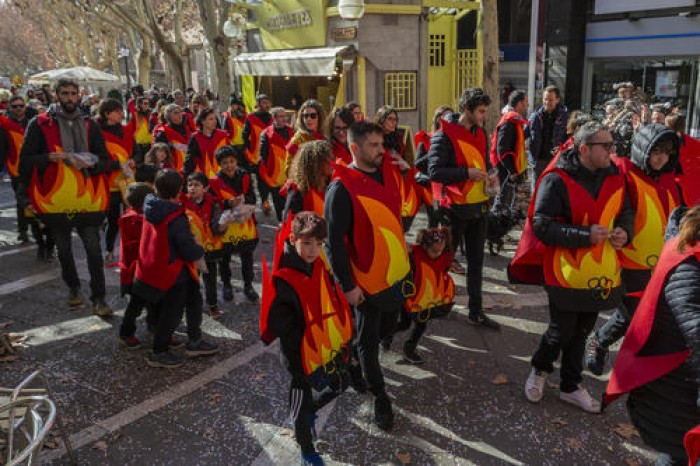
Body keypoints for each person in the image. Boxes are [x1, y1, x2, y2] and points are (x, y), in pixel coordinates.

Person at [521, 121, 634, 413]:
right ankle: (540, 369)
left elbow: (625, 212)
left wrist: (624, 231)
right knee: (561, 329)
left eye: (612, 145)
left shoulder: (616, 176)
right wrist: (583, 235)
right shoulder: (556, 179)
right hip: (564, 271)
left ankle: (571, 386)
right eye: (606, 146)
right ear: (584, 149)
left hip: (599, 272)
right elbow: (542, 226)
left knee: (583, 330)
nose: (613, 150)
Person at [325, 121, 412, 431]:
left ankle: (354, 365)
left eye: (381, 144)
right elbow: (333, 243)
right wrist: (348, 286)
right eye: (373, 146)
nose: (381, 150)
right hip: (365, 283)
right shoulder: (341, 187)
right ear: (354, 148)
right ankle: (380, 395)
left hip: (395, 276)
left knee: (394, 325)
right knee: (368, 341)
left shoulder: (387, 169)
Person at [604, 205, 700, 466]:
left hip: (678, 391)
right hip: (675, 391)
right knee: (679, 455)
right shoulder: (689, 265)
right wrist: (602, 340)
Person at [585, 123, 680, 375]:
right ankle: (600, 341)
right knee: (632, 313)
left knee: (648, 315)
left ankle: (626, 352)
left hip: (661, 263)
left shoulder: (671, 182)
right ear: (644, 149)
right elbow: (616, 207)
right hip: (630, 260)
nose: (661, 158)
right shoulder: (625, 174)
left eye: (667, 152)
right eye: (656, 151)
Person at [261, 211, 355, 466]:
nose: (313, 250)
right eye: (307, 243)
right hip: (299, 353)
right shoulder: (284, 278)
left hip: (325, 344)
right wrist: (307, 325)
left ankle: (310, 412)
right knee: (300, 404)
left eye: (319, 243)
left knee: (341, 380)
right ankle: (306, 449)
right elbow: (279, 323)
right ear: (293, 240)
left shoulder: (319, 266)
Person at [19, 79, 112, 315]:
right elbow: (25, 162)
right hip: (55, 199)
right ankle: (73, 288)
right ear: (56, 95)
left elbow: (105, 161)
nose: (70, 98)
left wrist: (90, 163)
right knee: (63, 249)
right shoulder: (39, 124)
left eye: (73, 94)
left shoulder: (91, 125)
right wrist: (49, 158)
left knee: (93, 248)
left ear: (78, 96)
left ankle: (99, 298)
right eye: (65, 93)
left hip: (87, 198)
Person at [427, 87, 501, 329]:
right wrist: (466, 174)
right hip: (454, 210)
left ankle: (476, 311)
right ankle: (433, 301)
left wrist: (491, 176)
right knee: (445, 259)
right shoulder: (443, 135)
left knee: (477, 262)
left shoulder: (481, 132)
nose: (484, 116)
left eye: (485, 112)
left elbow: (486, 162)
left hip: (479, 208)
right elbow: (434, 172)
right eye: (480, 111)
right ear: (467, 110)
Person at [133, 169, 219, 368]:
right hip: (173, 270)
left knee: (192, 300)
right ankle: (159, 351)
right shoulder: (175, 216)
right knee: (173, 312)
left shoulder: (150, 205)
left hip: (156, 266)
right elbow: (187, 247)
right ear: (179, 190)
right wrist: (199, 254)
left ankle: (194, 340)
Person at [208, 146, 260, 303]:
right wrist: (227, 203)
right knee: (224, 258)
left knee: (247, 257)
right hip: (226, 226)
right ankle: (227, 285)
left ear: (236, 161)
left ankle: (248, 285)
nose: (229, 166)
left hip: (245, 223)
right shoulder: (214, 182)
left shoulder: (245, 176)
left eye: (232, 161)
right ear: (219, 164)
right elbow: (213, 204)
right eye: (225, 163)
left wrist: (245, 201)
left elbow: (252, 196)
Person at [397, 227, 455, 364]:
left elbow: (442, 272)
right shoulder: (414, 254)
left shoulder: (445, 255)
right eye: (434, 251)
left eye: (441, 250)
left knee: (421, 325)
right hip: (409, 298)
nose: (438, 253)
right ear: (425, 246)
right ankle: (383, 337)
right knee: (403, 324)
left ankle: (409, 349)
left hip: (427, 299)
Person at [182, 172, 227, 319]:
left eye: (196, 185)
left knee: (210, 278)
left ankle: (212, 306)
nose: (192, 188)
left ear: (206, 188)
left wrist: (222, 226)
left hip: (209, 248)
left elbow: (216, 226)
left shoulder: (213, 203)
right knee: (192, 279)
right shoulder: (182, 203)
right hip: (190, 248)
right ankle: (191, 304)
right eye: (190, 185)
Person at [96, 98, 135, 265]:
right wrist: (116, 164)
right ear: (107, 114)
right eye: (117, 111)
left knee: (130, 219)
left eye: (121, 111)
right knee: (112, 220)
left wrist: (134, 160)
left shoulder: (126, 131)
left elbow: (138, 152)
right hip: (108, 185)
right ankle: (109, 250)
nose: (121, 114)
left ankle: (130, 251)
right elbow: (96, 161)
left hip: (128, 183)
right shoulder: (96, 133)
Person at [118, 182, 155, 348]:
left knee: (154, 301)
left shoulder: (135, 214)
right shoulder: (134, 219)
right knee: (136, 304)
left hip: (144, 269)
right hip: (137, 270)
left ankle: (155, 327)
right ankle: (126, 332)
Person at [375, 105, 419, 231]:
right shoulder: (374, 137)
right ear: (381, 120)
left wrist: (404, 165)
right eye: (390, 119)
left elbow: (407, 159)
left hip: (397, 180)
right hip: (381, 180)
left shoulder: (398, 138)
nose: (394, 122)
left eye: (396, 119)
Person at [489, 90, 529, 213]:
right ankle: (494, 230)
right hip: (505, 170)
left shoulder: (513, 120)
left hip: (508, 170)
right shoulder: (509, 121)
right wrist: (512, 171)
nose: (528, 105)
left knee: (505, 202)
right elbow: (502, 149)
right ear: (519, 104)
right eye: (526, 102)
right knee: (502, 202)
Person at [0, 95, 33, 243]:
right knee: (21, 201)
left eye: (21, 105)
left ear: (25, 107)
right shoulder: (4, 126)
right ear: (10, 108)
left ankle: (38, 228)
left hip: (34, 167)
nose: (18, 108)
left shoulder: (33, 124)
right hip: (15, 169)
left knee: (35, 198)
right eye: (15, 106)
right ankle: (23, 230)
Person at [414, 105, 453, 229]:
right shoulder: (426, 139)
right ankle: (430, 248)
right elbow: (418, 163)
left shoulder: (455, 140)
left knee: (450, 226)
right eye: (445, 116)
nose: (448, 119)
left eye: (450, 116)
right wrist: (434, 154)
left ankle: (449, 248)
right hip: (432, 190)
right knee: (433, 224)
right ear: (438, 119)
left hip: (451, 189)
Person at [528, 85, 569, 188]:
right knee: (537, 189)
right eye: (545, 99)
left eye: (550, 99)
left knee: (554, 188)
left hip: (556, 160)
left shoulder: (565, 117)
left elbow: (569, 137)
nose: (547, 102)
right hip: (539, 159)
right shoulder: (535, 116)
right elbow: (523, 133)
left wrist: (562, 147)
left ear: (557, 100)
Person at [282, 140, 334, 219]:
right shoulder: (297, 194)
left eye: (332, 158)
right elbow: (291, 224)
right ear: (316, 165)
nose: (333, 163)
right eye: (328, 160)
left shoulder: (332, 182)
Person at [258, 107, 293, 221]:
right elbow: (263, 155)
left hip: (291, 175)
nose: (284, 118)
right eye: (281, 116)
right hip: (275, 177)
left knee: (292, 206)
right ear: (274, 118)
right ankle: (282, 227)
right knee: (279, 207)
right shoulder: (266, 133)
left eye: (285, 116)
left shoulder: (291, 130)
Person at [184, 107, 228, 179]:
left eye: (215, 118)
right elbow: (189, 161)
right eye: (211, 119)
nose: (214, 121)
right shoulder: (195, 138)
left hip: (223, 177)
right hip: (203, 179)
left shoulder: (223, 135)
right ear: (202, 121)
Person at [286, 100, 326, 177]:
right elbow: (289, 170)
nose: (308, 119)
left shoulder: (325, 137)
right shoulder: (297, 140)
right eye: (305, 116)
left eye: (313, 116)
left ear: (319, 117)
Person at [152, 103, 192, 172]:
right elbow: (158, 155)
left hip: (188, 167)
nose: (180, 115)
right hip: (172, 169)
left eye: (180, 112)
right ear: (168, 116)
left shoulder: (187, 129)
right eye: (176, 113)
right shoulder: (163, 132)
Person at [241, 93, 272, 171]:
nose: (267, 105)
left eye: (268, 102)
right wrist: (248, 149)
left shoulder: (272, 117)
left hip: (270, 154)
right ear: (258, 104)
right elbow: (245, 135)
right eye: (264, 103)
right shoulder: (251, 118)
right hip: (255, 154)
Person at [131, 96, 153, 163]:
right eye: (145, 103)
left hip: (149, 144)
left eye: (148, 103)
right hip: (138, 145)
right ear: (140, 104)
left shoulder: (151, 114)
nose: (147, 105)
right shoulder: (135, 115)